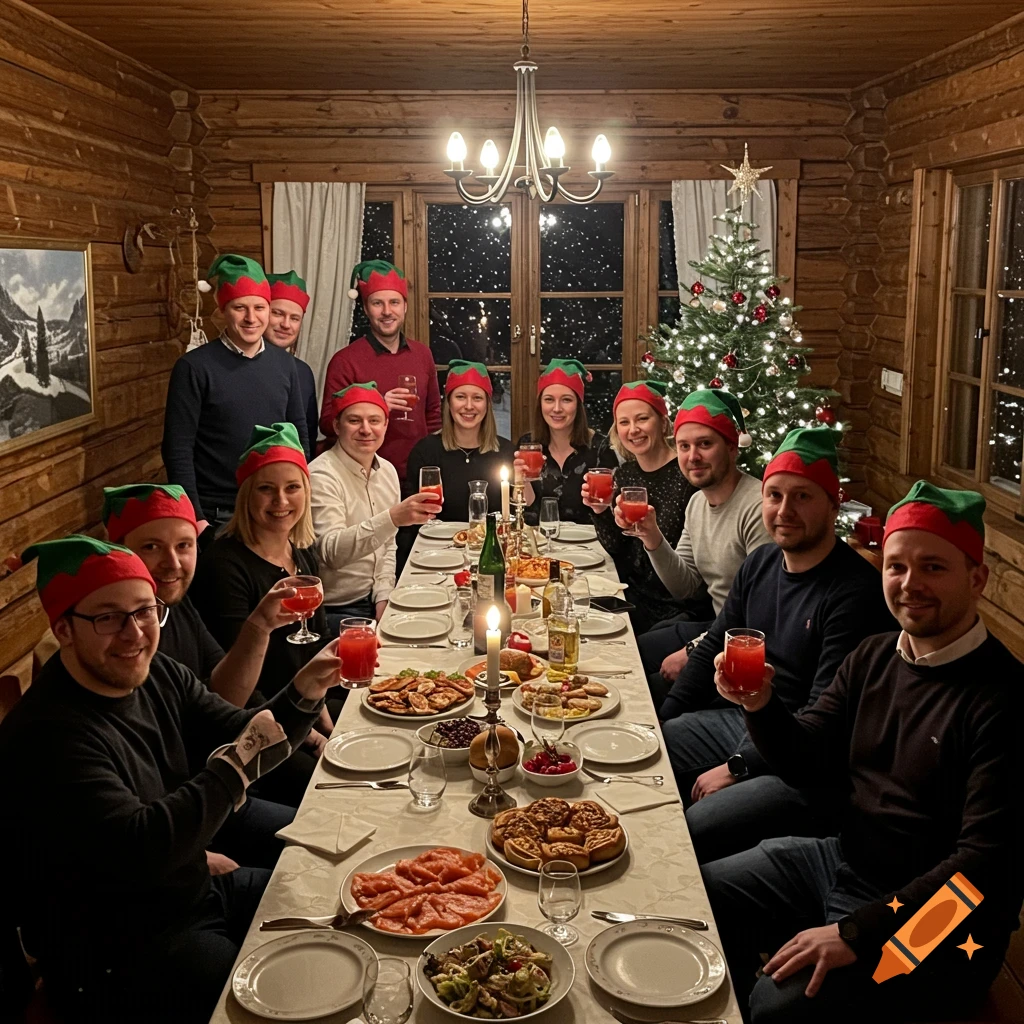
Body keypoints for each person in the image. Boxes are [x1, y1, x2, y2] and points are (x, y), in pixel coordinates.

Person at [701, 481, 1023, 1024]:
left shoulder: (1004, 700)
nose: (910, 584)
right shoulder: (874, 656)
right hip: (849, 862)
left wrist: (859, 932)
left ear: (978, 579)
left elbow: (983, 869)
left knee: (779, 1006)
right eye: (896, 567)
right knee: (703, 895)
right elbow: (806, 760)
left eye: (933, 568)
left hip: (946, 922)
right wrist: (760, 703)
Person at [0, 536, 342, 1024]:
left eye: (145, 611)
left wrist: (304, 692)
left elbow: (244, 733)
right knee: (276, 1009)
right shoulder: (50, 735)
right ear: (64, 629)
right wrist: (234, 766)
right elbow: (146, 847)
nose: (135, 633)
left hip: (188, 892)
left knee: (330, 900)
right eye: (108, 617)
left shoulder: (155, 671)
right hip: (117, 947)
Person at [658, 427, 896, 864]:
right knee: (652, 750)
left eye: (803, 497)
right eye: (775, 496)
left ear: (833, 503)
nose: (785, 510)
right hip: (745, 719)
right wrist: (666, 717)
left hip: (806, 762)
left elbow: (822, 723)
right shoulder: (762, 563)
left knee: (699, 826)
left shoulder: (853, 594)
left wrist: (737, 768)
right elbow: (715, 642)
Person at [102, 482, 325, 808]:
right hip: (189, 803)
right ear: (119, 552)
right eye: (151, 547)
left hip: (217, 781)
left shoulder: (176, 605)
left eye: (184, 546)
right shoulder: (124, 642)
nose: (173, 563)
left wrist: (260, 627)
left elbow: (225, 699)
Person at [192, 423, 334, 737]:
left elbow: (317, 642)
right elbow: (234, 681)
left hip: (305, 701)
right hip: (254, 723)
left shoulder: (301, 552)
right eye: (266, 488)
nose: (281, 501)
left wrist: (318, 705)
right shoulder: (223, 566)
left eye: (292, 488)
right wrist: (307, 732)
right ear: (246, 494)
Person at [633, 390, 771, 700]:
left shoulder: (758, 507)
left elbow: (759, 614)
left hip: (743, 644)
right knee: (632, 653)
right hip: (716, 625)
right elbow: (684, 586)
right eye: (684, 446)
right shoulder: (697, 503)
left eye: (705, 444)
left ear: (732, 447)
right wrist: (651, 536)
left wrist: (694, 649)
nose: (692, 456)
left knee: (647, 692)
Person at [162, 254, 309, 534]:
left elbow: (298, 436)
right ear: (223, 311)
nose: (251, 318)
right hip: (219, 514)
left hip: (275, 508)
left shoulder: (285, 365)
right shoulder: (194, 368)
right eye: (240, 307)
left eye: (260, 307)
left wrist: (299, 498)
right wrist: (196, 516)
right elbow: (177, 449)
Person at [310, 383, 442, 632]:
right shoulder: (321, 475)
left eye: (374, 420)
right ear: (337, 426)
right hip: (335, 608)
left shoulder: (388, 471)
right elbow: (331, 553)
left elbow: (388, 546)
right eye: (354, 420)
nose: (366, 430)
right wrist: (392, 519)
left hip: (374, 599)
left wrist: (383, 595)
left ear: (385, 425)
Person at [581, 379, 695, 631]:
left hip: (673, 609)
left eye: (642, 419)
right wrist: (601, 511)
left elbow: (690, 569)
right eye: (624, 422)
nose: (633, 430)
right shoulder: (625, 474)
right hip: (630, 598)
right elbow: (619, 548)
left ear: (663, 422)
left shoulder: (687, 474)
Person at [319, 260, 441, 479]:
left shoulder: (422, 355)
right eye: (377, 303)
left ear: (404, 306)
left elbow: (433, 416)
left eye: (394, 302)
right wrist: (377, 405)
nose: (387, 311)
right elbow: (329, 423)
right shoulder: (345, 360)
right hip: (365, 476)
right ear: (366, 308)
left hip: (416, 474)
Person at [404, 360, 514, 518]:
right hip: (438, 542)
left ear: (487, 405)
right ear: (449, 403)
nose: (469, 406)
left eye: (477, 398)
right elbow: (413, 516)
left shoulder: (506, 452)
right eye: (460, 397)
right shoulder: (425, 452)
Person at [513, 357, 617, 525]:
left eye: (566, 400)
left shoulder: (600, 447)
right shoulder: (528, 445)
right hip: (539, 543)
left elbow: (610, 512)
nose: (557, 408)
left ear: (578, 404)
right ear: (540, 404)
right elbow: (526, 508)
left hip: (588, 546)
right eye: (549, 400)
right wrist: (521, 480)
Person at [266, 270, 318, 458]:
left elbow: (308, 436)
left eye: (294, 318)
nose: (286, 324)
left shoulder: (303, 372)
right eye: (278, 313)